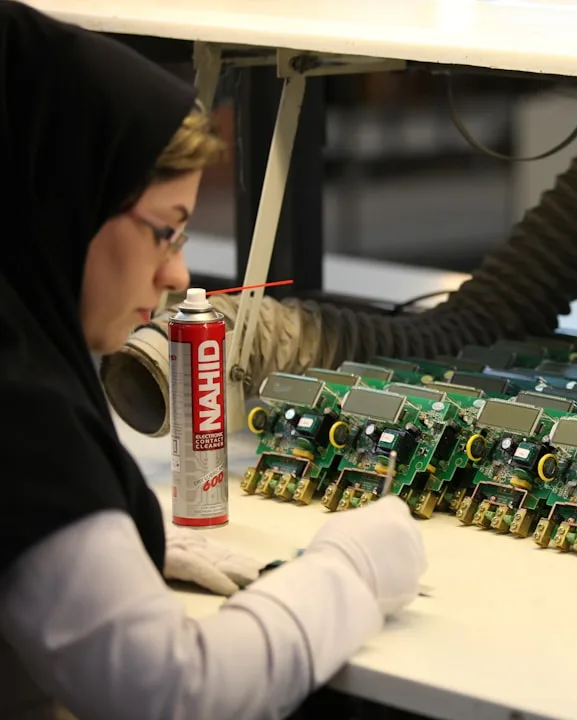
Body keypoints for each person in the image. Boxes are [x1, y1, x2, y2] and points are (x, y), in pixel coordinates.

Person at [0, 2, 428, 718]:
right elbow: (175, 693)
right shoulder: (20, 412)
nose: (175, 274)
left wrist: (118, 538)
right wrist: (348, 571)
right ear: (64, 201)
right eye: (165, 232)